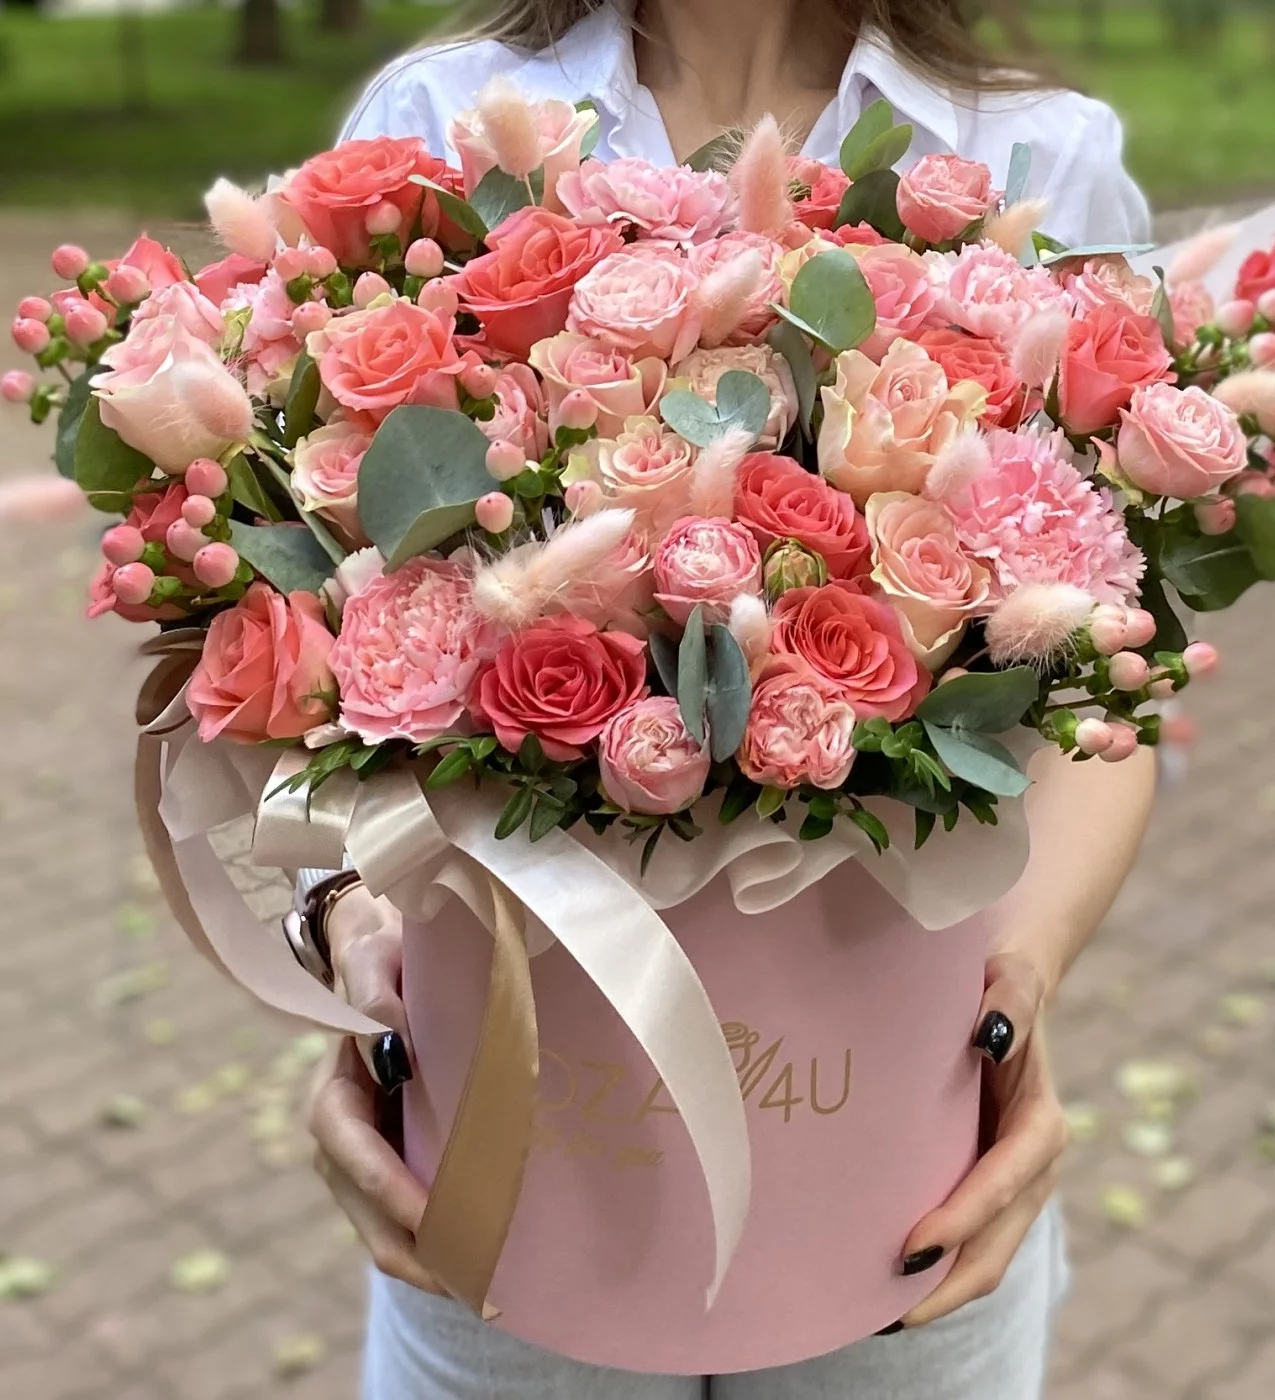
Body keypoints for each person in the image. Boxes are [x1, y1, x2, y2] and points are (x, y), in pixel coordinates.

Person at [298, 2, 1159, 1396]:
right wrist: (353, 938)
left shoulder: (1039, 152)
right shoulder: (431, 117)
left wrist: (1023, 985)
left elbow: (1113, 680)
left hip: (892, 1148)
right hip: (519, 1150)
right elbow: (319, 654)